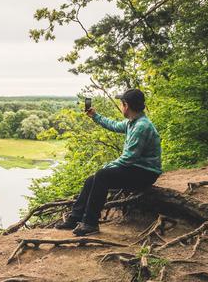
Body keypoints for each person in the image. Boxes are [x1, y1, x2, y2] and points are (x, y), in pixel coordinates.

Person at [56, 88, 162, 236]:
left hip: (146, 173)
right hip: (137, 169)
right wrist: (95, 116)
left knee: (102, 175)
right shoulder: (133, 122)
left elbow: (128, 158)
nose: (121, 106)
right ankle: (75, 218)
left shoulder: (141, 126)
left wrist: (106, 167)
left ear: (126, 105)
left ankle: (90, 223)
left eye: (121, 103)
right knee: (91, 180)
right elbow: (113, 125)